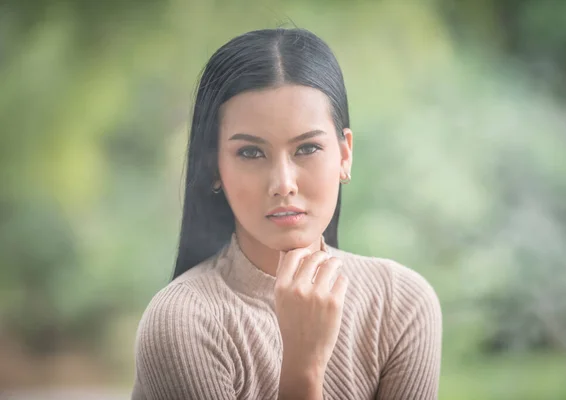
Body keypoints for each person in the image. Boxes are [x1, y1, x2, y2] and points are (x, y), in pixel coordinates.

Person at [132, 28, 442, 400]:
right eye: (251, 153)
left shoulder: (400, 303)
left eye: (307, 148)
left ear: (345, 155)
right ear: (214, 166)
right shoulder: (183, 321)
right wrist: (303, 366)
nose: (283, 184)